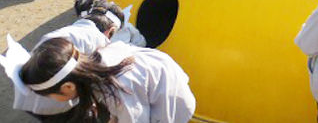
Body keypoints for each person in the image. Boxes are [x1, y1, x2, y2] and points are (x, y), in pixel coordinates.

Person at [20, 38, 196, 123]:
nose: (50, 100)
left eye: (49, 96)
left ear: (67, 87)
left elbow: (135, 119)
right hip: (156, 90)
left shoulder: (116, 89)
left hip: (171, 104)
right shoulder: (95, 65)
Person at [10, 9, 123, 119]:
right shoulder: (99, 42)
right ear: (110, 31)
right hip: (57, 103)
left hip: (33, 94)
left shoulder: (71, 32)